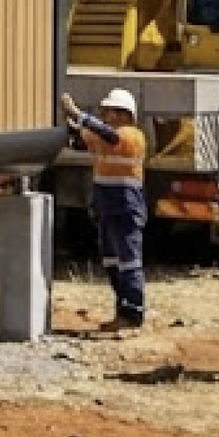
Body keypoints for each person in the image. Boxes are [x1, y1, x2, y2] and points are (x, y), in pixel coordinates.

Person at [60, 86, 147, 333]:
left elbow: (107, 134)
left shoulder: (132, 135)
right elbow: (84, 139)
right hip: (108, 207)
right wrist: (73, 127)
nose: (105, 114)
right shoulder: (106, 136)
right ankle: (123, 309)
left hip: (127, 207)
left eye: (109, 111)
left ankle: (133, 314)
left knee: (129, 262)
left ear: (124, 115)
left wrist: (78, 114)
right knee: (112, 261)